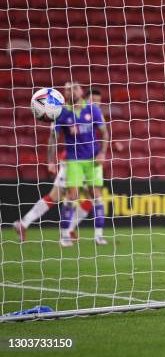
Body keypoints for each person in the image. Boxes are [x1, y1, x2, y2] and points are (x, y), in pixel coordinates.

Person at [49, 82, 109, 247]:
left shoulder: (93, 109)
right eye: (68, 88)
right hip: (73, 160)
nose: (71, 91)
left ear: (81, 91)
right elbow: (53, 137)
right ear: (64, 92)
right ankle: (64, 236)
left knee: (96, 195)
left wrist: (103, 152)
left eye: (75, 87)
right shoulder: (61, 112)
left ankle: (99, 236)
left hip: (92, 159)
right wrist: (51, 160)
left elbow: (104, 132)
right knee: (72, 196)